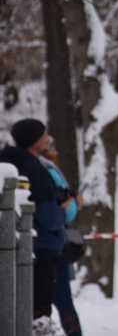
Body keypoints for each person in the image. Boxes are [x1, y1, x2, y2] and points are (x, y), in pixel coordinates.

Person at [0, 118, 66, 336]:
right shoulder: (34, 169)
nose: (48, 138)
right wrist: (62, 209)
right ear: (35, 140)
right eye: (44, 134)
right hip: (41, 247)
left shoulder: (8, 164)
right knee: (38, 311)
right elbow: (48, 215)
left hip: (11, 246)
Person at [39, 137, 84, 336]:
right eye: (51, 146)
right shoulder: (47, 170)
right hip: (52, 243)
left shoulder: (30, 167)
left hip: (44, 241)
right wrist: (74, 203)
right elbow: (67, 209)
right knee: (63, 300)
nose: (55, 150)